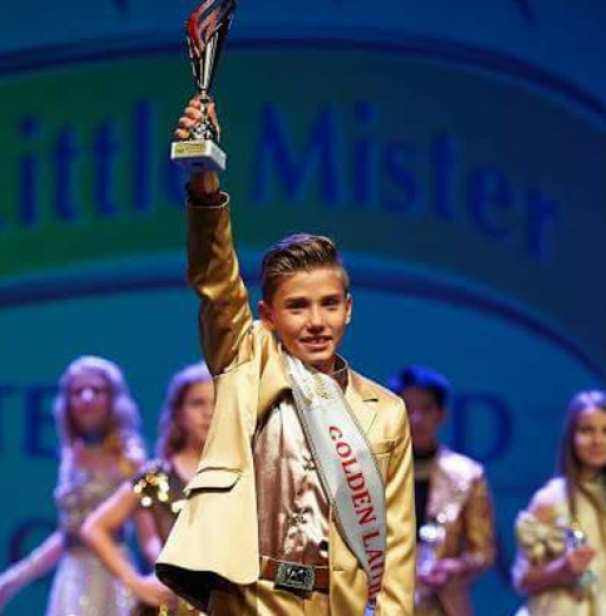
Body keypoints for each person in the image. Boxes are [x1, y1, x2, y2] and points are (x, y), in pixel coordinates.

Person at [155, 98, 415, 616]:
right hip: (246, 596)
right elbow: (216, 283)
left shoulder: (384, 411)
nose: (316, 321)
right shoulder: (246, 359)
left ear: (349, 310)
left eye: (328, 304)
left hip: (332, 603)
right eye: (297, 306)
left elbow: (398, 546)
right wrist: (204, 182)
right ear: (268, 315)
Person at [0, 355, 146, 616]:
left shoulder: (130, 459)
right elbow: (67, 535)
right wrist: (9, 582)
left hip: (115, 574)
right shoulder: (71, 457)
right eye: (77, 392)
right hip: (72, 578)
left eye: (97, 390)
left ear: (113, 399)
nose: (86, 398)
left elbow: (149, 535)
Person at [82, 361, 214, 616]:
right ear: (178, 414)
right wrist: (136, 583)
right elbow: (94, 528)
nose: (208, 412)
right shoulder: (156, 477)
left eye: (217, 403)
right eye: (198, 403)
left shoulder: (247, 473)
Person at [388, 365, 495, 616]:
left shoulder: (467, 475)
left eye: (426, 409)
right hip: (381, 601)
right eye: (407, 408)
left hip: (440, 603)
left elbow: (482, 551)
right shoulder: (369, 470)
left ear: (441, 415)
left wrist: (452, 568)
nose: (416, 418)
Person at [512, 389, 606, 616]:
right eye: (587, 430)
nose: (597, 440)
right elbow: (522, 579)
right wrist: (562, 570)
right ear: (571, 436)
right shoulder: (551, 499)